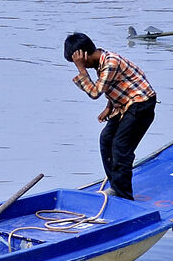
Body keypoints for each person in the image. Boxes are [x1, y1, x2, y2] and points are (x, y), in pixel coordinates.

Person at [65, 32, 156, 199]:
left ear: (83, 55)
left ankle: (124, 196)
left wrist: (81, 69)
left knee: (121, 147)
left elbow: (94, 93)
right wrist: (109, 107)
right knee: (106, 139)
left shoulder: (110, 62)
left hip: (141, 104)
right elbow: (117, 85)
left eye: (77, 60)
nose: (77, 65)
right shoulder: (100, 63)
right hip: (124, 103)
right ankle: (116, 185)